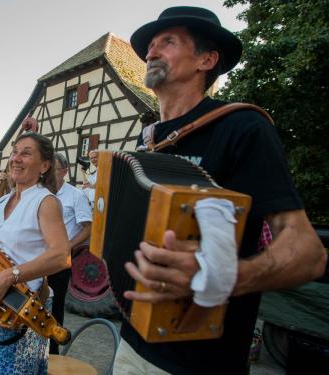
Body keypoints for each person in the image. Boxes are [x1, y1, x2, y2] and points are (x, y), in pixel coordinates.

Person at [114, 6, 326, 375]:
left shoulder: (243, 127)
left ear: (207, 59)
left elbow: (309, 254)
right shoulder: (147, 141)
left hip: (202, 360)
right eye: (150, 45)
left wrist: (224, 276)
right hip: (130, 344)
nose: (151, 52)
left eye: (168, 42)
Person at [0, 132, 70, 375]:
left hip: (24, 307)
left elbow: (62, 255)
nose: (16, 158)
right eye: (15, 152)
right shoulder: (3, 202)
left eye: (26, 153)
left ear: (44, 166)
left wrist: (10, 276)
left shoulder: (46, 201)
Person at [49, 153, 92, 354]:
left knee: (54, 311)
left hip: (58, 262)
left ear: (65, 172)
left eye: (54, 169)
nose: (48, 173)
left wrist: (67, 247)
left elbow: (87, 228)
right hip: (36, 259)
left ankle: (52, 356)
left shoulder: (76, 195)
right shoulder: (41, 193)